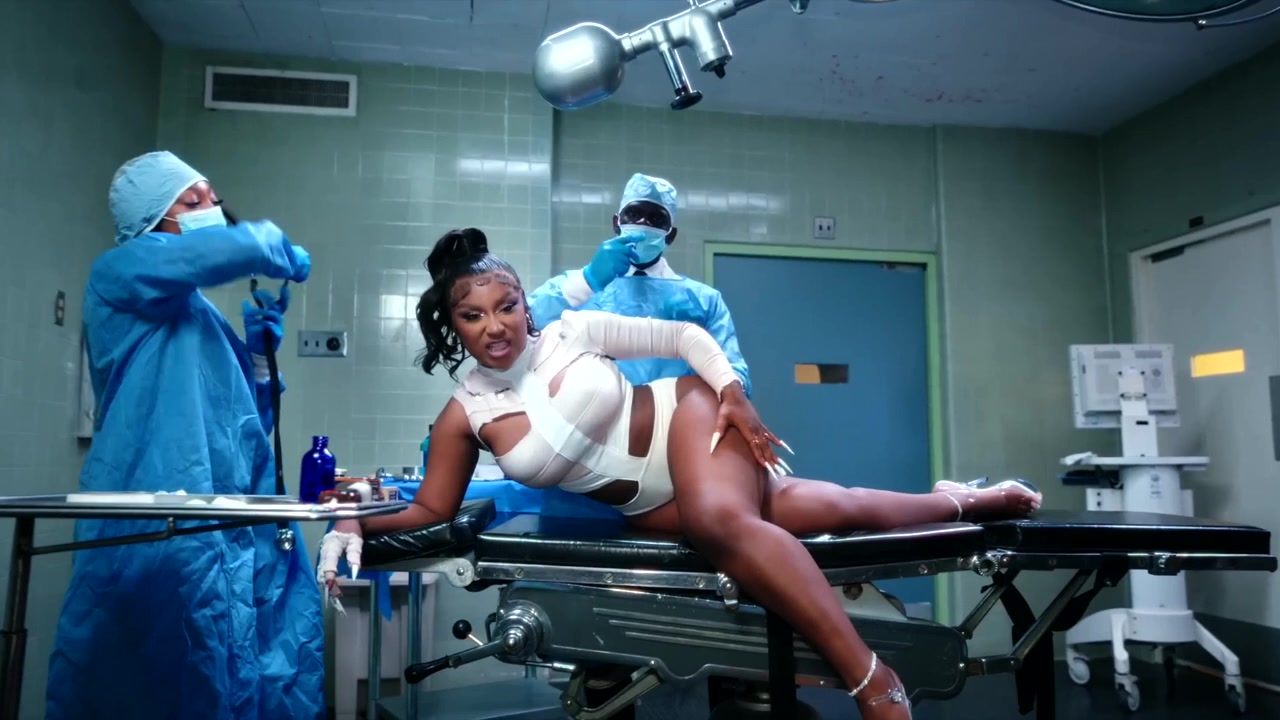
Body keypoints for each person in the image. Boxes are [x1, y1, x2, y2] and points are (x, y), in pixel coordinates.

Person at [319, 227, 1042, 719]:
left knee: (719, 521)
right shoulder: (465, 413)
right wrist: (350, 519)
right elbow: (430, 511)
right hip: (649, 500)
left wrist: (731, 391)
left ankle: (870, 679)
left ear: (523, 304)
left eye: (506, 305)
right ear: (453, 326)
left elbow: (687, 338)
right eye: (474, 316)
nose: (497, 325)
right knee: (831, 508)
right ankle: (957, 502)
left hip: (689, 418)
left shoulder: (573, 331)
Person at [46, 151, 323, 720]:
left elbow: (243, 430)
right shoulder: (119, 274)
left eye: (213, 200)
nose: (209, 209)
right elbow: (206, 254)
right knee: (150, 681)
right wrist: (267, 245)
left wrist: (259, 359)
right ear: (150, 218)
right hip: (153, 522)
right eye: (192, 200)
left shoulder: (201, 316)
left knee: (229, 677)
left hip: (222, 522)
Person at [528, 173, 752, 395]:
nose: (643, 223)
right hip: (591, 414)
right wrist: (588, 280)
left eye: (656, 219)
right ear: (616, 223)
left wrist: (732, 392)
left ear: (670, 235)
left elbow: (732, 373)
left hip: (672, 415)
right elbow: (525, 326)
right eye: (634, 214)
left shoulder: (703, 301)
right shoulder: (574, 287)